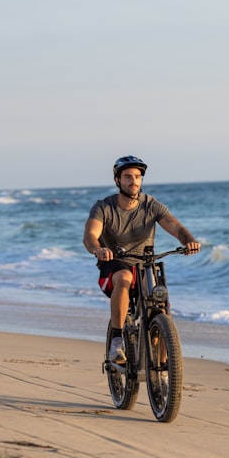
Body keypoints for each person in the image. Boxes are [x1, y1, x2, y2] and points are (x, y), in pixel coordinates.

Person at [83, 155, 201, 365]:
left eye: (138, 176)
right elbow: (90, 235)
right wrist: (99, 249)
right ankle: (117, 340)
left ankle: (164, 365)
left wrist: (189, 240)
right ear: (117, 181)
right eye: (128, 176)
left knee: (160, 304)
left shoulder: (151, 205)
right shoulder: (103, 207)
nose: (134, 181)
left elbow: (175, 226)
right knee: (125, 277)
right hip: (114, 263)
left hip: (144, 264)